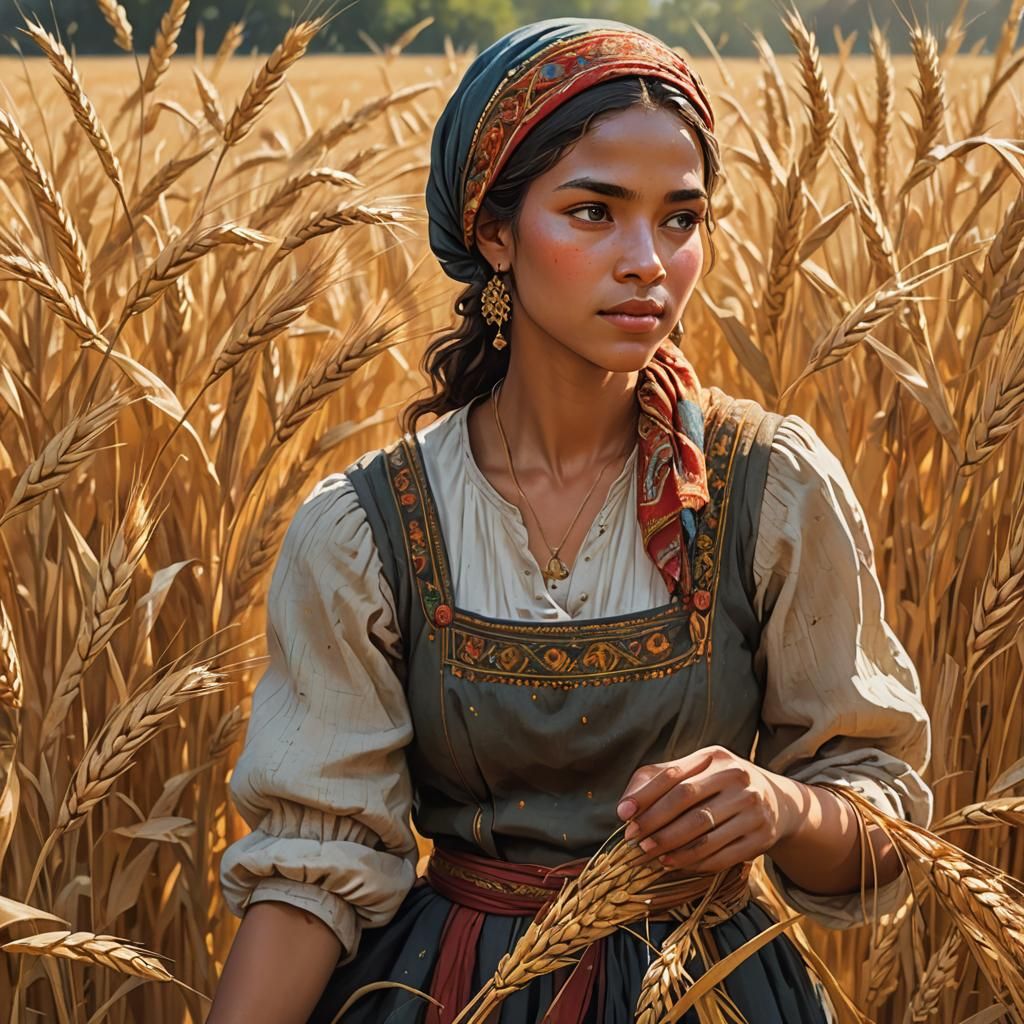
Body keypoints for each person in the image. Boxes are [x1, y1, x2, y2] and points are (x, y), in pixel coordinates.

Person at [207, 17, 932, 1024]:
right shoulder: (370, 530)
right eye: (594, 211)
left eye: (680, 219)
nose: (647, 261)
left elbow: (886, 829)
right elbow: (312, 869)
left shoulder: (769, 488)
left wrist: (783, 808)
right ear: (494, 233)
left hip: (711, 996)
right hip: (450, 995)